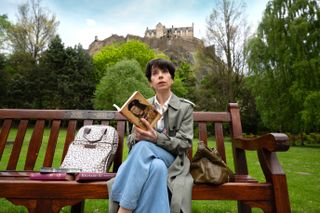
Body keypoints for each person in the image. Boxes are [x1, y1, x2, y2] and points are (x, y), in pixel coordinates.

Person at [107, 58, 194, 213]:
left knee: (145, 146)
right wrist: (136, 136)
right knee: (157, 167)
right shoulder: (141, 104)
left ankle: (124, 207)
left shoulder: (184, 107)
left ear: (171, 79)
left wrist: (155, 138)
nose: (160, 76)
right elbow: (131, 142)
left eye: (165, 72)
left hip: (173, 161)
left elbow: (185, 144)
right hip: (148, 159)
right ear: (150, 83)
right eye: (155, 74)